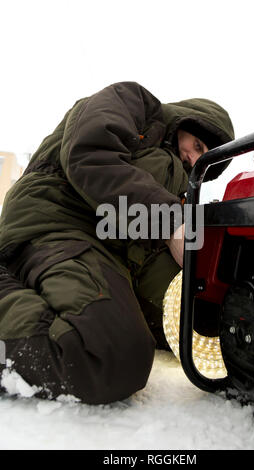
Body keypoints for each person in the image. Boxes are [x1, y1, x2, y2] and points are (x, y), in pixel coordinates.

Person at [0, 82, 234, 404]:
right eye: (195, 143)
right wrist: (170, 222)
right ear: (186, 120)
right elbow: (89, 155)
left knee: (196, 318)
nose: (191, 157)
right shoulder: (133, 103)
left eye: (201, 158)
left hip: (112, 247)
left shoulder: (178, 184)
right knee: (108, 354)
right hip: (56, 223)